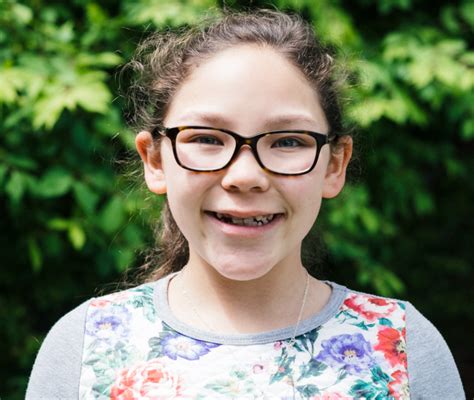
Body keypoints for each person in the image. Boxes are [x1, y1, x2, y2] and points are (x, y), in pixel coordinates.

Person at [26, 9, 464, 400]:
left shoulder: (403, 347)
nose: (245, 175)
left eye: (288, 141)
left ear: (334, 164)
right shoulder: (85, 348)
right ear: (155, 160)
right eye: (206, 138)